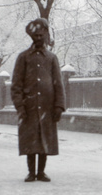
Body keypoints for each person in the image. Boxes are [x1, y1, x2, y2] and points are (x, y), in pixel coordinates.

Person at [11, 18, 66, 182]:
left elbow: (58, 84)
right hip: (29, 107)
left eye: (42, 35)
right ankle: (31, 172)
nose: (39, 38)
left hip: (47, 108)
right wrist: (20, 106)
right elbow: (16, 84)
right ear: (32, 37)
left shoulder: (51, 58)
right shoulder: (23, 58)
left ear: (46, 36)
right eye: (36, 35)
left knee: (44, 140)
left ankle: (41, 172)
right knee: (30, 140)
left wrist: (59, 106)